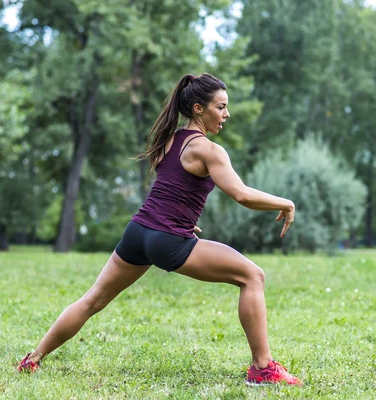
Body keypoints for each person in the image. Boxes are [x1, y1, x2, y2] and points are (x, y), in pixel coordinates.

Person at [18, 73, 302, 386]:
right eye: (221, 107)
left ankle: (33, 359)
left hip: (138, 232)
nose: (226, 114)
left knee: (92, 300)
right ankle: (262, 369)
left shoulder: (170, 139)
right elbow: (241, 194)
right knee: (252, 276)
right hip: (167, 240)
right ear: (198, 108)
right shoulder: (209, 150)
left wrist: (182, 220)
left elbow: (172, 188)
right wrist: (285, 203)